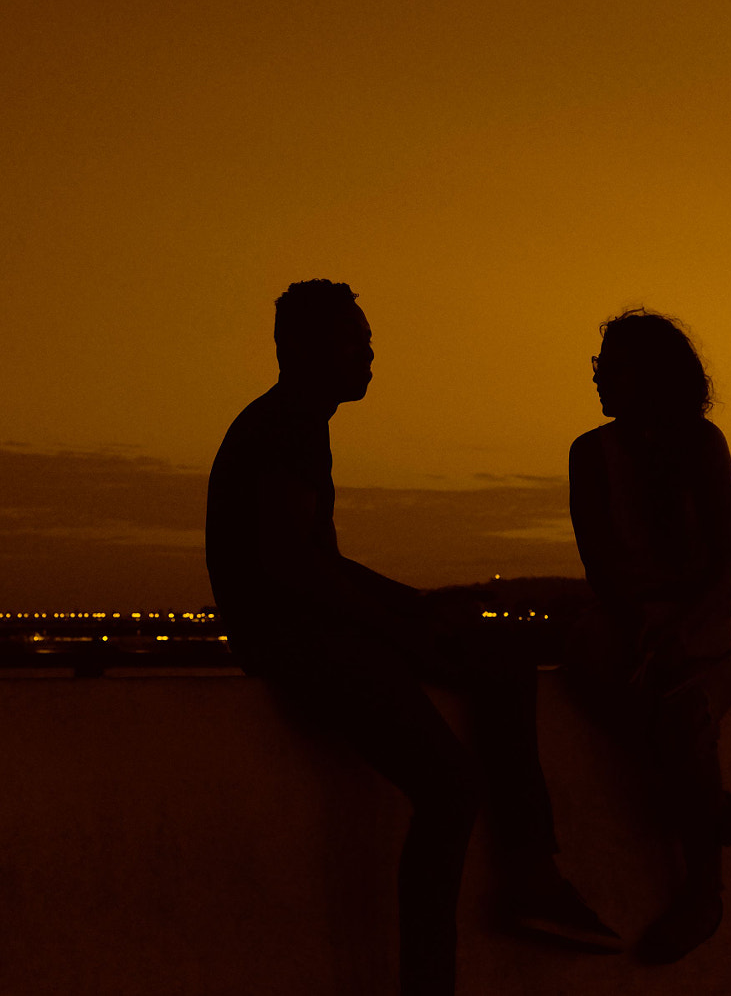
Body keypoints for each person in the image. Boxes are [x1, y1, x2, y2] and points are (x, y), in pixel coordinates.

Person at [207, 279, 619, 996]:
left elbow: (314, 560)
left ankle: (532, 870)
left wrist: (418, 604)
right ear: (298, 348)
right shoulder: (285, 426)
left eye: (367, 340)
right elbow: (294, 569)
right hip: (299, 644)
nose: (369, 353)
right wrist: (405, 626)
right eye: (353, 340)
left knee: (502, 664)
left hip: (319, 629)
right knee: (452, 787)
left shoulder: (297, 421)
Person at [567, 309, 731, 964]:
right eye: (599, 368)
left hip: (706, 615)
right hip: (625, 618)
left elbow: (724, 560)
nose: (598, 380)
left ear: (651, 375)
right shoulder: (590, 453)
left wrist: (677, 627)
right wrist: (640, 624)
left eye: (611, 368)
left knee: (682, 710)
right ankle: (708, 801)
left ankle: (705, 892)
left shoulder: (703, 444)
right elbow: (599, 563)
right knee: (609, 680)